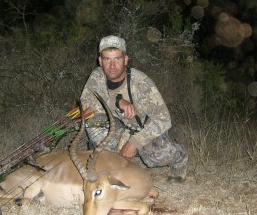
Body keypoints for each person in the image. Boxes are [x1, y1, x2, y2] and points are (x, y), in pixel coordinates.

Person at [80, 35, 188, 183]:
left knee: (157, 155)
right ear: (100, 61)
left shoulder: (141, 83)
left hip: (142, 131)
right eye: (107, 59)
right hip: (118, 130)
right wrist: (115, 102)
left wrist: (134, 143)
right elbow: (86, 104)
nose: (112, 65)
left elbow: (164, 119)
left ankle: (180, 158)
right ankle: (110, 161)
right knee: (93, 119)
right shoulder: (97, 76)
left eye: (117, 59)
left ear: (125, 59)